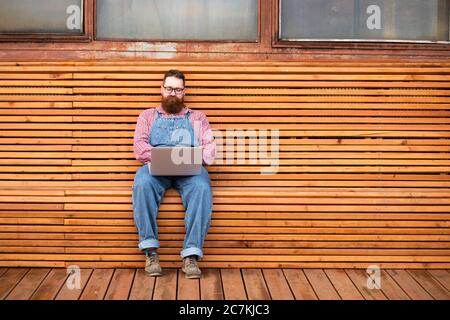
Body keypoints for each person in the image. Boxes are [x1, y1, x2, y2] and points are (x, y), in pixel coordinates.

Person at [132, 69, 216, 279]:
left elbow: (209, 149)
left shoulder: (198, 117)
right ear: (161, 89)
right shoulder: (148, 116)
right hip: (156, 167)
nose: (172, 93)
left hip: (189, 169)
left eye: (178, 90)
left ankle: (191, 255)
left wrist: (189, 158)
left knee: (202, 187)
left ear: (184, 92)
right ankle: (150, 251)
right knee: (142, 182)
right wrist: (163, 157)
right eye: (169, 88)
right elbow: (139, 147)